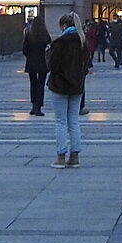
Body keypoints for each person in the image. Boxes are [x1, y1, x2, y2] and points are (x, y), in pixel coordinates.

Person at [46, 12, 88, 167]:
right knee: (74, 121)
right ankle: (75, 156)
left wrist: (48, 54)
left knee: (61, 121)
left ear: (63, 26)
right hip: (77, 87)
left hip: (60, 86)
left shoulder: (60, 43)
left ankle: (61, 156)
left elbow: (52, 66)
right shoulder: (83, 42)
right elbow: (85, 67)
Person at [21, 13, 50, 115]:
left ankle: (33, 106)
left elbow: (24, 49)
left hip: (31, 63)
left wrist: (29, 56)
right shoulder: (45, 35)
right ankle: (39, 107)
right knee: (41, 85)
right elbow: (49, 48)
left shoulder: (29, 34)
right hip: (43, 63)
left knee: (33, 84)